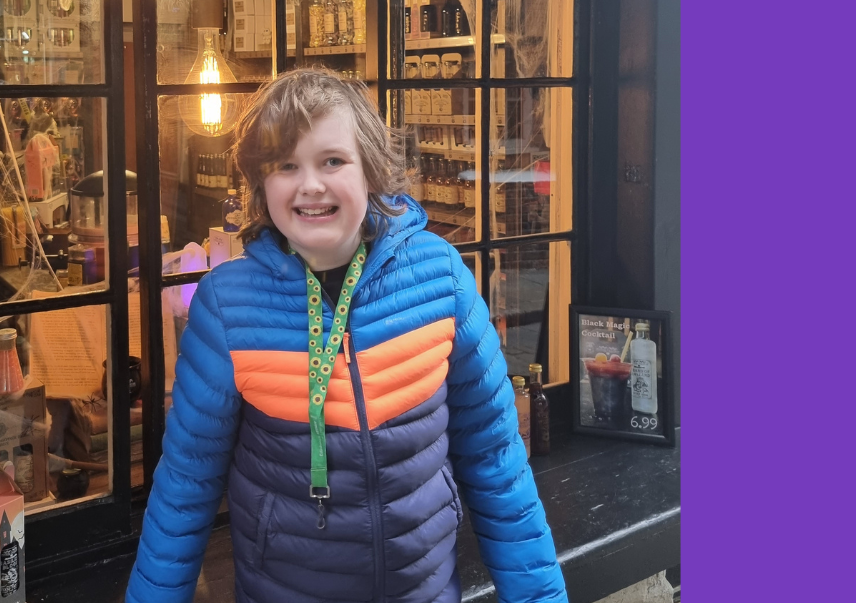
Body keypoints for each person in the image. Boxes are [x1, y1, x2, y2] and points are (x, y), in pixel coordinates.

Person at [126, 69, 567, 603]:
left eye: (332, 161)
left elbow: (496, 458)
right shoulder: (226, 305)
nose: (311, 184)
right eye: (286, 165)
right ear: (261, 185)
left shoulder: (441, 276)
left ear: (370, 170)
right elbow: (185, 486)